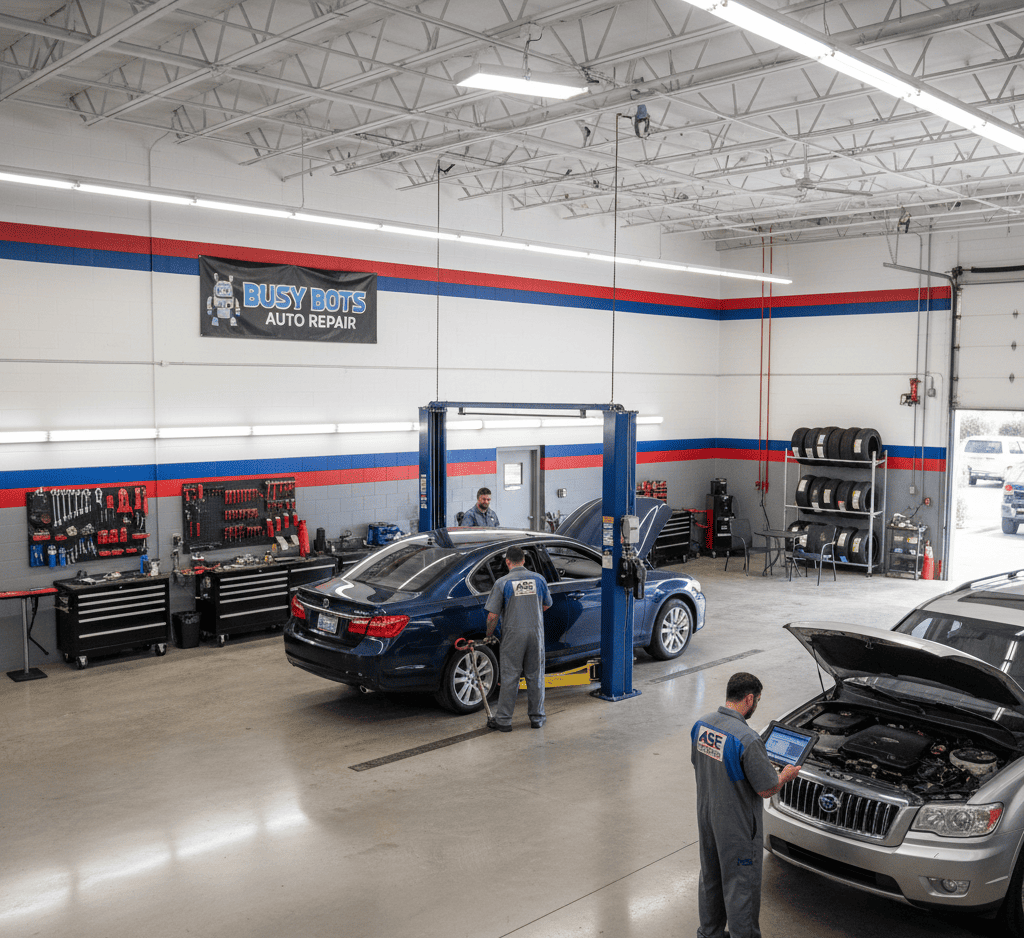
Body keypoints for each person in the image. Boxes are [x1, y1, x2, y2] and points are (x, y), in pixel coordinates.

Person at [690, 672, 800, 938]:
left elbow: (700, 764)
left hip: (707, 817)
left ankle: (709, 933)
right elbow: (766, 788)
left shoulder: (701, 725)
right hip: (737, 828)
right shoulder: (748, 739)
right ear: (749, 699)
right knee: (741, 886)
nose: (756, 704)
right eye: (757, 700)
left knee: (711, 877)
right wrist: (784, 775)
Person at [483, 545, 551, 731]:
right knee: (535, 675)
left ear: (507, 562)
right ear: (524, 560)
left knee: (510, 677)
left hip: (513, 636)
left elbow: (492, 616)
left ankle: (504, 721)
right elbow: (546, 605)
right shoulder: (539, 580)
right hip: (535, 634)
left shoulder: (502, 583)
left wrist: (488, 635)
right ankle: (537, 718)